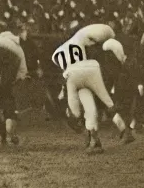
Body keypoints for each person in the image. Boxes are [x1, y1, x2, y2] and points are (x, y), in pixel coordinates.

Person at [51, 23, 133, 154]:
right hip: (93, 70)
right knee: (105, 103)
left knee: (88, 109)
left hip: (76, 76)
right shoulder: (81, 40)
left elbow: (66, 72)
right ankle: (123, 130)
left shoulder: (59, 52)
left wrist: (64, 92)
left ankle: (94, 140)